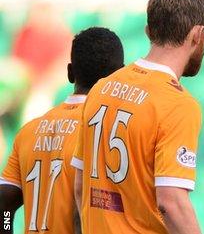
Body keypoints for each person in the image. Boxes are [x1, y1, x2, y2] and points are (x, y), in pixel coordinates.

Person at [70, 0, 204, 233]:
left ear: (148, 31)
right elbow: (171, 202)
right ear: (197, 35)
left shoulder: (101, 88)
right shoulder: (178, 104)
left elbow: (80, 186)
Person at [0, 27, 124, 234]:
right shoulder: (107, 131)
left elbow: (3, 205)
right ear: (120, 75)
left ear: (69, 72)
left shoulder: (29, 131)